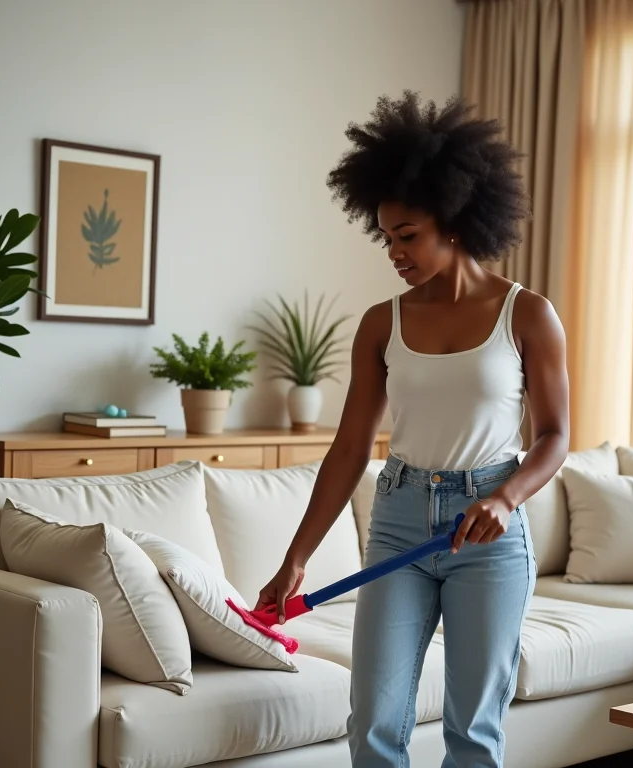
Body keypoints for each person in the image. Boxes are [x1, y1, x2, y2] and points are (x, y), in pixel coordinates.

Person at [255, 91, 570, 768]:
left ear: (453, 220)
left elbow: (554, 437)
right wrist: (297, 558)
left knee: (472, 732)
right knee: (373, 719)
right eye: (386, 238)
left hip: (488, 531)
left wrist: (506, 497)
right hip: (398, 516)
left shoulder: (529, 315)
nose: (394, 253)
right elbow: (348, 449)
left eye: (408, 236)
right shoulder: (381, 322)